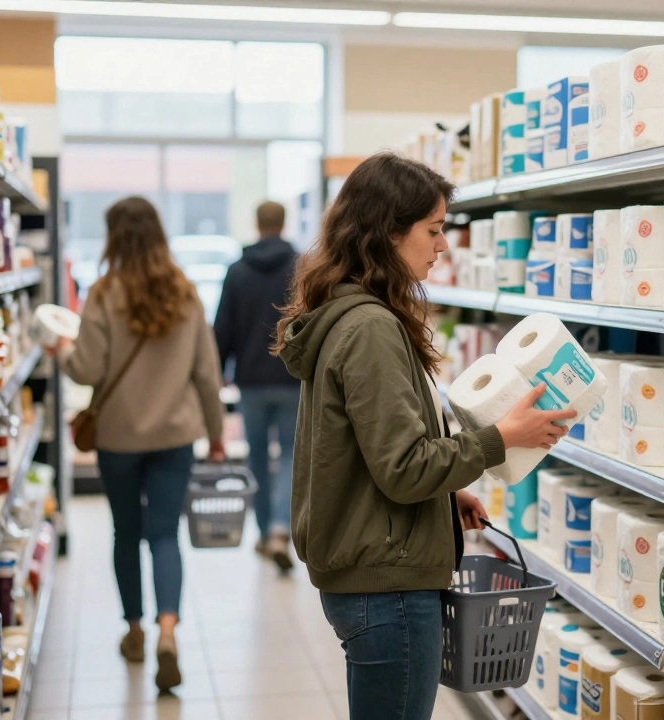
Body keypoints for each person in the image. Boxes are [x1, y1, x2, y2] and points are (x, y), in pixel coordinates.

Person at [275, 153, 573, 720]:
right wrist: (500, 439)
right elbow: (405, 467)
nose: (443, 245)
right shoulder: (370, 329)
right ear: (388, 232)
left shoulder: (351, 314)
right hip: (386, 586)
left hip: (371, 568)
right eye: (433, 230)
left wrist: (445, 494)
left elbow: (373, 453)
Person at [59, 196, 226, 692]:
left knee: (125, 533)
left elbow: (86, 370)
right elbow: (206, 374)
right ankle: (168, 632)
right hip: (176, 436)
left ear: (114, 238)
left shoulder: (103, 294)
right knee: (164, 535)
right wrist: (216, 434)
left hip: (119, 436)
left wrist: (62, 350)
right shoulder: (186, 292)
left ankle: (134, 630)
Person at [214, 201, 300, 570]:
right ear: (283, 224)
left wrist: (218, 370)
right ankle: (283, 527)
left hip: (250, 381)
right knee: (293, 457)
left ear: (257, 224)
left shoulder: (237, 271)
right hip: (294, 378)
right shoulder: (302, 268)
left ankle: (265, 532)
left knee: (259, 458)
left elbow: (223, 327)